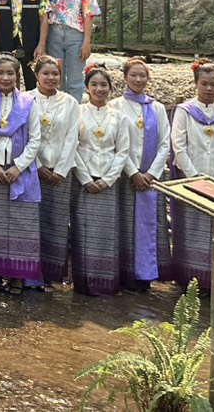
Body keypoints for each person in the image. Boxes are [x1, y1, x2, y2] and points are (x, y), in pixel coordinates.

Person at [169, 60, 214, 291]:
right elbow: (178, 146)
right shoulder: (184, 111)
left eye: (213, 84)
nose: (209, 88)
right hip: (188, 180)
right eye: (204, 83)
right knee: (189, 229)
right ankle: (187, 281)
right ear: (196, 84)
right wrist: (195, 179)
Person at [0, 53, 43, 294]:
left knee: (21, 224)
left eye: (10, 73)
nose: (5, 77)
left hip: (20, 171)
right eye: (0, 73)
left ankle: (18, 275)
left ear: (17, 76)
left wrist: (18, 166)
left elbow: (35, 139)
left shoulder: (28, 103)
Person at [72, 62, 131, 296]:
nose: (99, 89)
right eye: (94, 85)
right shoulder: (77, 112)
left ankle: (105, 283)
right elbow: (73, 146)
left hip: (108, 181)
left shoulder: (119, 117)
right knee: (83, 231)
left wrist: (108, 179)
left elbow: (122, 151)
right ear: (87, 87)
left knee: (107, 232)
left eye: (104, 85)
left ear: (111, 88)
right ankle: (83, 283)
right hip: (83, 180)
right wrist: (86, 178)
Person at [115, 57, 170, 291]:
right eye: (133, 75)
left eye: (142, 75)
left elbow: (165, 143)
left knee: (150, 225)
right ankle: (126, 273)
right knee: (126, 224)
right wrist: (133, 172)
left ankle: (147, 274)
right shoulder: (116, 106)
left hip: (151, 179)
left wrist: (152, 173)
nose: (138, 80)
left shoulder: (157, 108)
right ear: (125, 77)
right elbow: (117, 143)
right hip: (125, 176)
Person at [30, 55, 78, 288]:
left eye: (55, 74)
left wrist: (60, 169)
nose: (51, 78)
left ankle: (53, 273)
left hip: (61, 173)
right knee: (33, 220)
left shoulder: (70, 102)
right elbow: (25, 137)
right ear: (36, 75)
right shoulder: (27, 100)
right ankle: (31, 272)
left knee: (57, 221)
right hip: (32, 171)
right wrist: (37, 166)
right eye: (46, 73)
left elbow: (72, 137)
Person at [39, 0, 100, 101]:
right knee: (55, 77)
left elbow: (88, 15)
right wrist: (42, 42)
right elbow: (44, 14)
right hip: (53, 34)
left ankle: (75, 111)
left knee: (75, 79)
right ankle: (57, 109)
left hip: (75, 36)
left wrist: (86, 42)